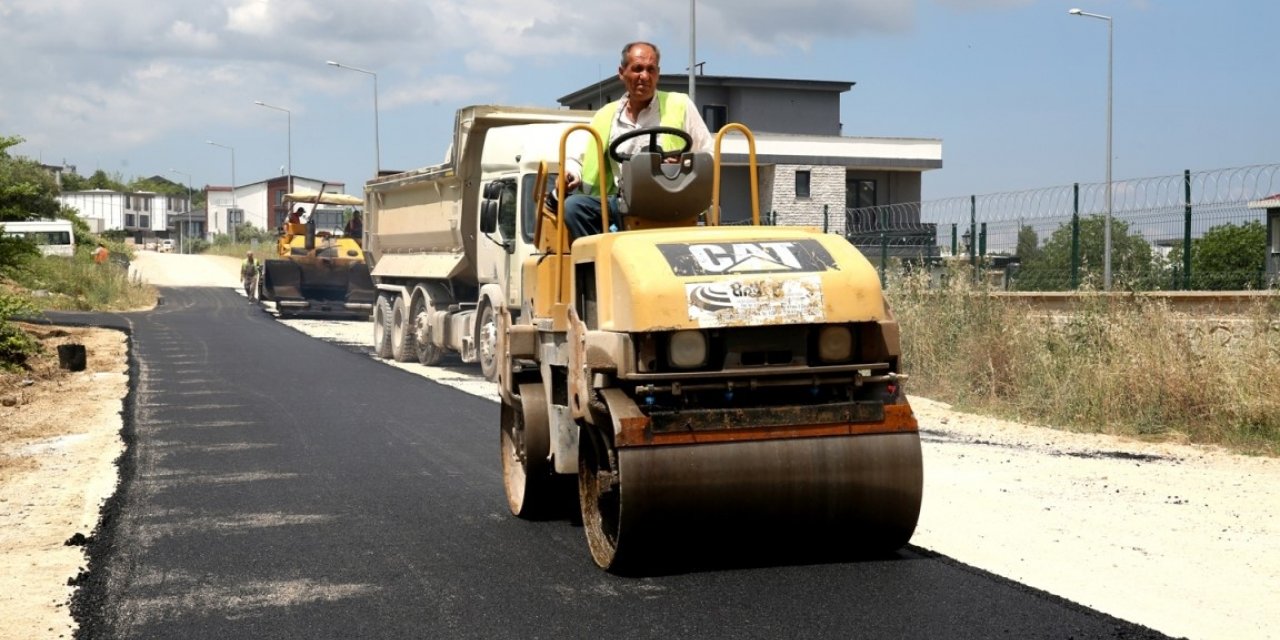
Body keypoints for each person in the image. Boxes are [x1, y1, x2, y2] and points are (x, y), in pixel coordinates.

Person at [562, 41, 713, 240]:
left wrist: (682, 162)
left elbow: (708, 154)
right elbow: (580, 158)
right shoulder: (605, 116)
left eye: (651, 69)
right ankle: (604, 256)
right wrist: (571, 173)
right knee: (573, 207)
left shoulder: (680, 105)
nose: (645, 76)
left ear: (658, 73)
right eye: (637, 69)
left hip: (673, 200)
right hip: (623, 204)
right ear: (621, 72)